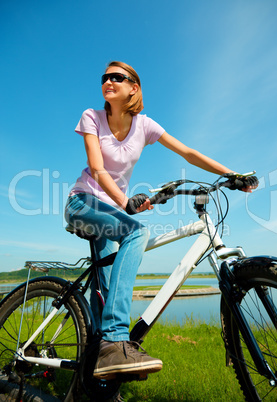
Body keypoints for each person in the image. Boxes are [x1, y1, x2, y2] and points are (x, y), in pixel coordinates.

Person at [65, 61, 258, 379]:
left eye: (117, 77)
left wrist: (231, 174)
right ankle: (115, 340)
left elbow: (188, 152)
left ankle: (99, 372)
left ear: (133, 88)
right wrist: (126, 201)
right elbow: (97, 168)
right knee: (136, 234)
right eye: (105, 77)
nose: (108, 81)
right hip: (83, 202)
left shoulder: (145, 126)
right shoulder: (92, 117)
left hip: (112, 210)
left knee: (106, 289)